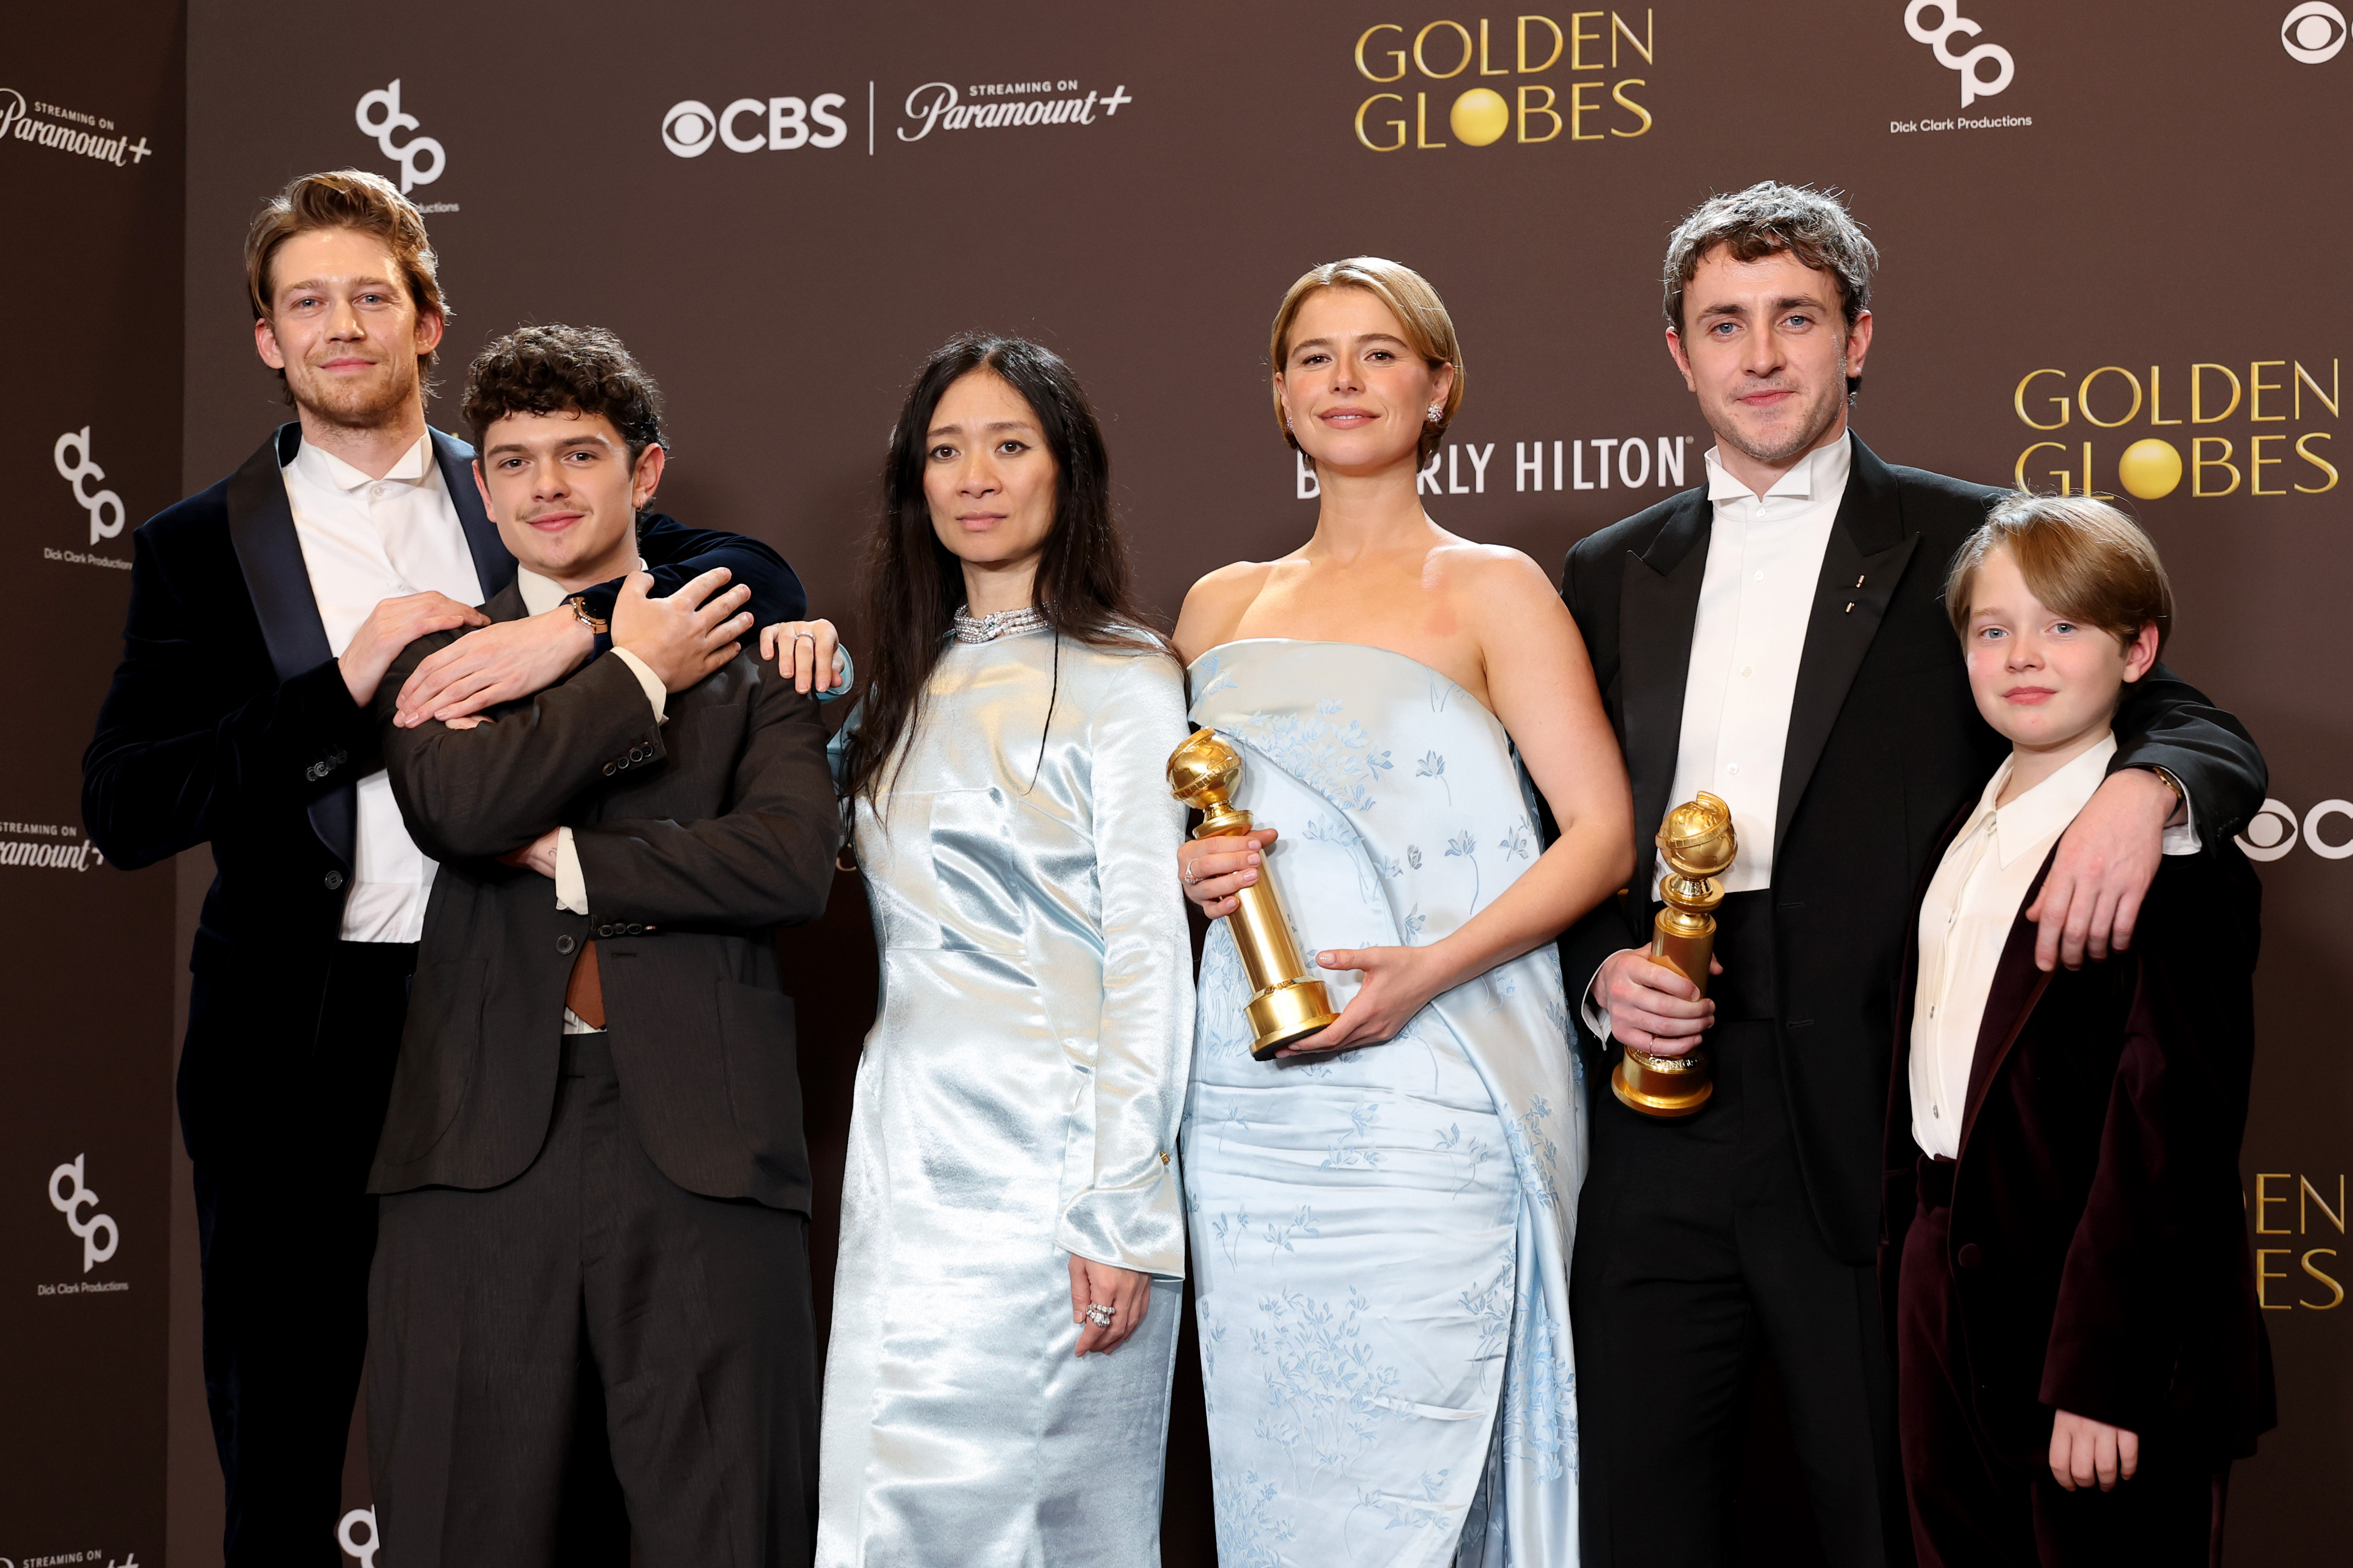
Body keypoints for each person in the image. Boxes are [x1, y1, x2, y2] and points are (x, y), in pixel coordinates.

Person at [78, 169, 808, 1565]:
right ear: (265, 339)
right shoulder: (191, 546)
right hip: (296, 1032)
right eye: (308, 302)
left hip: (506, 1010)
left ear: (429, 324)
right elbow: (124, 804)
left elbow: (744, 573)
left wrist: (575, 635)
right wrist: (338, 692)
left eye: (372, 296)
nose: (341, 326)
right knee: (284, 1437)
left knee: (548, 1436)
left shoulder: (520, 481)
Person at [1552, 183, 2269, 1567]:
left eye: (1797, 319)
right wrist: (1598, 972)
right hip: (1652, 1123)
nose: (1761, 354)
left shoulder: (1972, 538)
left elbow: (2181, 708)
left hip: (1875, 1126)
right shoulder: (1601, 571)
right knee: (1635, 1518)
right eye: (1725, 324)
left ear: (1858, 337)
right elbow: (1548, 825)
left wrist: (2148, 788)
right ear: (1678, 353)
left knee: (1893, 1522)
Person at [1173, 258, 1634, 1566]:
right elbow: (1194, 844)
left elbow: (1601, 836)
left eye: (1380, 354)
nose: (1345, 381)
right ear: (1279, 396)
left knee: (1423, 1479)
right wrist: (1190, 875)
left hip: (1437, 1091)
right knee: (1283, 1482)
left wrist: (1426, 972)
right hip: (1254, 1107)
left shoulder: (1494, 587)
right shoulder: (1217, 605)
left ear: (1439, 388)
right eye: (1315, 357)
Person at [363, 324, 840, 1566]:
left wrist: (576, 862)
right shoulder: (435, 654)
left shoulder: (756, 654)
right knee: (464, 1522)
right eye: (514, 462)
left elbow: (787, 863)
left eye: (581, 455)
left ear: (647, 473)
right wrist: (627, 665)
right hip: (477, 1141)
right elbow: (464, 810)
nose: (548, 487)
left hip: (703, 1141)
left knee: (728, 1524)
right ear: (484, 486)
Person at [806, 334, 1193, 1568]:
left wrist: (1123, 1209)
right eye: (945, 449)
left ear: (1067, 469)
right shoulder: (892, 694)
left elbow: (1146, 954)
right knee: (882, 1518)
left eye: (1009, 444)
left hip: (1060, 1173)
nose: (975, 475)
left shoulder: (1128, 676)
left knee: (1053, 1528)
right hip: (907, 1161)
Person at [1884, 494, 2271, 1565]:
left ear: (2137, 649)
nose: (2022, 656)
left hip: (2090, 1316)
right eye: (1992, 628)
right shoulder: (1967, 815)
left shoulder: (2162, 849)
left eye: (2063, 626)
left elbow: (2171, 1138)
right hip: (1942, 1284)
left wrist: (2106, 1376)